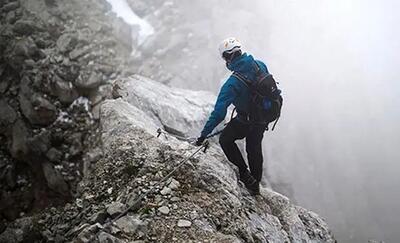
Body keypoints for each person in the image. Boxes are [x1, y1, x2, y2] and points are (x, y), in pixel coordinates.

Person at [196, 37, 272, 195]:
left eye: (225, 57)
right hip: (262, 118)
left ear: (228, 57)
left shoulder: (232, 83)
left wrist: (203, 135)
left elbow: (219, 113)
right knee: (254, 148)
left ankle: (244, 174)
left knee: (225, 139)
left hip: (246, 120)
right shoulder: (260, 65)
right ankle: (255, 184)